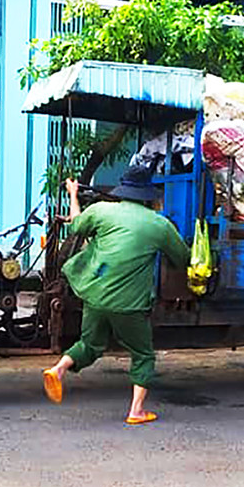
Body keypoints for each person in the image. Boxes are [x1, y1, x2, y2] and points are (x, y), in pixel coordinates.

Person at [42, 165, 190, 425]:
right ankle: (136, 411)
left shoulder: (101, 210)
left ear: (122, 189)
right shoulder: (159, 224)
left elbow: (76, 225)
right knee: (142, 354)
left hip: (94, 294)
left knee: (90, 344)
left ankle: (57, 370)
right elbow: (182, 258)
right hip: (129, 305)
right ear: (147, 194)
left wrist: (73, 194)